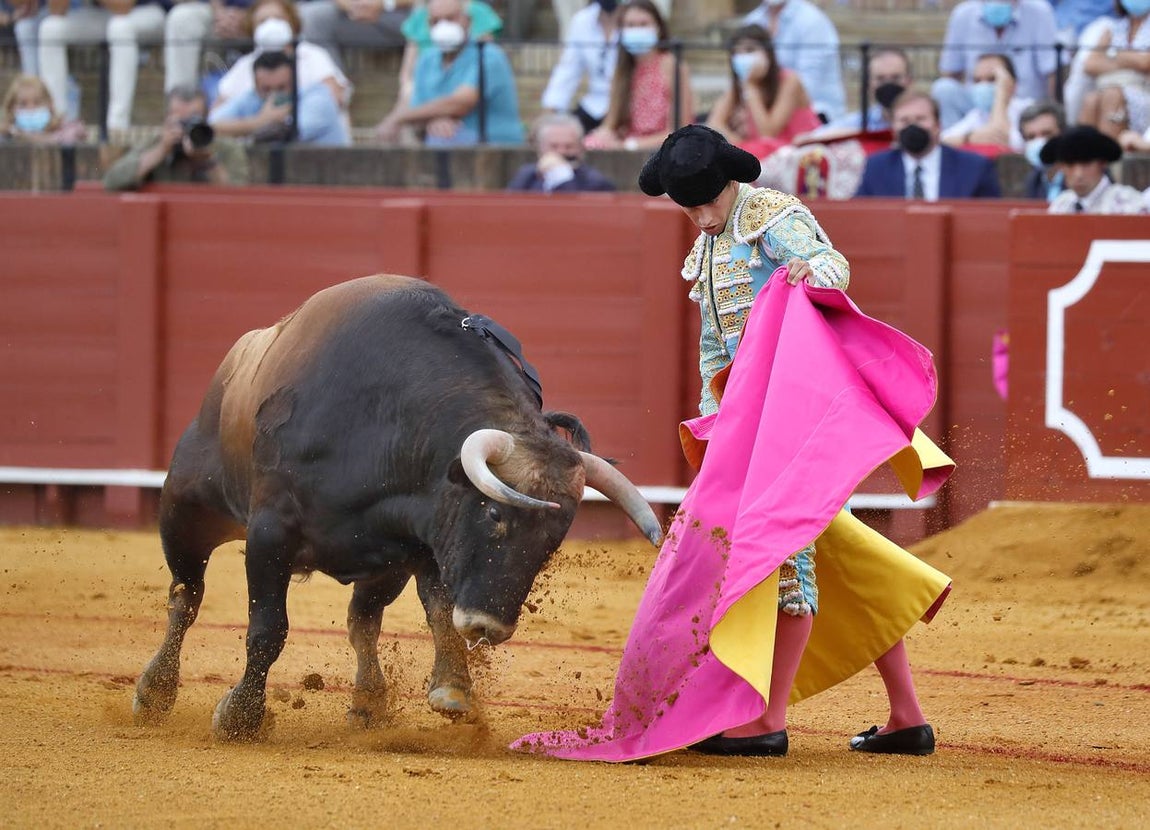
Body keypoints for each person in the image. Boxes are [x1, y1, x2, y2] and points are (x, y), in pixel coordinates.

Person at [510, 124, 952, 762]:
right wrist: (716, 427)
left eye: (704, 202)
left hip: (790, 423)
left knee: (785, 562)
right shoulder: (710, 241)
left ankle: (764, 721)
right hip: (746, 429)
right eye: (686, 206)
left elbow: (834, 266)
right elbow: (717, 349)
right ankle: (906, 716)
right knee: (839, 558)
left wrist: (811, 268)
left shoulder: (773, 215)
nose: (698, 216)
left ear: (730, 183)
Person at [374, 0, 522, 145]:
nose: (443, 26)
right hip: (444, 141)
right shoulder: (427, 59)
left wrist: (397, 118)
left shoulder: (488, 55)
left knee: (444, 138)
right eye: (435, 21)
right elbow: (418, 107)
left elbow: (460, 103)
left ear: (468, 21)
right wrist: (434, 120)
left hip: (493, 143)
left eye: (450, 18)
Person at [38, 0, 169, 131]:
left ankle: (117, 126)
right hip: (101, 14)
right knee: (50, 28)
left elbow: (123, 7)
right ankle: (57, 121)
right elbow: (56, 11)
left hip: (146, 11)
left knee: (120, 27)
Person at [583, 0, 693, 151]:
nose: (637, 30)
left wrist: (630, 145)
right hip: (625, 144)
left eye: (643, 24)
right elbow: (611, 123)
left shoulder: (672, 66)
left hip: (663, 148)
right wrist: (600, 136)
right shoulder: (623, 69)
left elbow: (679, 128)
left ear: (658, 28)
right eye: (630, 25)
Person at [932, 0, 1059, 130]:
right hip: (976, 107)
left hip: (1024, 109)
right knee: (943, 88)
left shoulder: (1040, 11)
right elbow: (950, 71)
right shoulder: (963, 14)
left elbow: (1052, 72)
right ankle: (954, 150)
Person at [855, 89, 1003, 199]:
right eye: (904, 121)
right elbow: (859, 216)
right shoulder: (877, 167)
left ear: (938, 125)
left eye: (920, 119)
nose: (912, 127)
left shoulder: (973, 167)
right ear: (893, 128)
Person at [210, 0, 351, 115]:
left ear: (292, 24)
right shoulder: (245, 64)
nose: (271, 25)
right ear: (252, 28)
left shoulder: (313, 55)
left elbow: (334, 98)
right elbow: (217, 114)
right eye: (263, 21)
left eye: (279, 19)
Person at [704, 24, 820, 160]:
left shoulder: (789, 81)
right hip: (761, 156)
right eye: (736, 52)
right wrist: (738, 143)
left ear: (768, 54)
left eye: (750, 50)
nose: (742, 57)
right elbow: (713, 123)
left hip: (799, 156)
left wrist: (751, 88)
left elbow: (768, 133)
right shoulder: (740, 86)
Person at [103, 85, 249, 190]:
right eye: (180, 121)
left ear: (206, 119)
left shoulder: (226, 147)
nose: (186, 128)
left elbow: (238, 195)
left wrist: (207, 162)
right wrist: (161, 151)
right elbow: (112, 181)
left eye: (193, 120)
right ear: (167, 120)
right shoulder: (156, 141)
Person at [209, 49, 351, 144]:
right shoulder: (251, 97)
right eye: (266, 89)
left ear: (294, 82)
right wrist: (259, 121)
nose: (274, 95)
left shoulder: (318, 99)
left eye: (282, 87)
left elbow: (282, 134)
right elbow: (211, 127)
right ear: (256, 86)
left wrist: (258, 122)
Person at [741, 0, 846, 124]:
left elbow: (808, 86)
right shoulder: (753, 20)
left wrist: (753, 93)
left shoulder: (812, 21)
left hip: (817, 114)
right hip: (764, 107)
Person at [540, 0, 618, 134]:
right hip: (594, 106)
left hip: (630, 107)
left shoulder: (636, 18)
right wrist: (549, 113)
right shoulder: (583, 20)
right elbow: (568, 69)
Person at [1075, 0, 1150, 140]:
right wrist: (1129, 60)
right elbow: (1090, 65)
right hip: (1109, 89)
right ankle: (1084, 157)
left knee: (1112, 95)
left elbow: (1145, 63)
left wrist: (1113, 55)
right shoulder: (1114, 28)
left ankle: (1109, 156)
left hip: (1144, 93)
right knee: (1091, 100)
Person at [1042, 123, 1146, 212]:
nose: (1078, 174)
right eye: (1070, 165)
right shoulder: (1061, 205)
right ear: (1061, 167)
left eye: (1086, 164)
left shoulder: (1127, 203)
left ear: (1102, 163)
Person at [941, 53, 1032, 151]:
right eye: (977, 80)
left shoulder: (1028, 109)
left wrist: (1001, 96)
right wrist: (968, 138)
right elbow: (941, 140)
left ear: (1012, 83)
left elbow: (1000, 140)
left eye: (992, 79)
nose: (983, 86)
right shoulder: (978, 114)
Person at [506, 112, 616, 192]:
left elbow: (575, 214)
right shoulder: (527, 176)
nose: (561, 152)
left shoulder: (595, 182)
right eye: (554, 146)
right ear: (540, 148)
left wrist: (561, 175)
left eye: (569, 146)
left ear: (580, 148)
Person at [163, 0, 254, 96]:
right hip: (219, 13)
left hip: (263, 16)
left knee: (268, 28)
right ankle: (182, 101)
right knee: (182, 18)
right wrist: (219, 12)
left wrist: (251, 17)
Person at [817, 46, 912, 135]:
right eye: (880, 79)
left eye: (896, 78)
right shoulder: (859, 124)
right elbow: (819, 136)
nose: (888, 84)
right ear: (869, 84)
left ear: (909, 81)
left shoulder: (923, 123)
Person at [0, 72, 87, 143]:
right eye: (23, 104)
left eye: (37, 103)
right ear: (11, 108)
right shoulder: (6, 134)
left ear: (49, 104)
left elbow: (70, 138)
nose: (31, 109)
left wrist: (24, 136)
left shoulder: (68, 129)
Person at [1018, 99, 1066, 200]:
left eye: (1046, 134)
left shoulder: (1083, 174)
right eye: (1031, 137)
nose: (1039, 142)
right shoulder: (1032, 181)